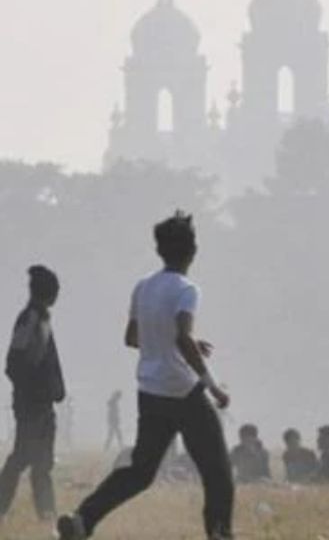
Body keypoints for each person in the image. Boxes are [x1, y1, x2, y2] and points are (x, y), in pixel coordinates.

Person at [58, 212, 233, 540]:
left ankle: (83, 519)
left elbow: (132, 338)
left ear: (160, 250)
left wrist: (184, 342)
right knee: (217, 473)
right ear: (192, 251)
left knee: (140, 471)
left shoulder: (144, 286)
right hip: (185, 393)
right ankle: (221, 534)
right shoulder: (187, 289)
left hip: (151, 393)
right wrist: (213, 387)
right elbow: (182, 337)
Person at [0, 266, 66, 522]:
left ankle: (47, 515)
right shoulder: (30, 319)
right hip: (32, 406)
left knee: (42, 462)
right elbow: (13, 362)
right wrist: (33, 392)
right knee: (22, 458)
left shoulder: (42, 319)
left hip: (42, 404)